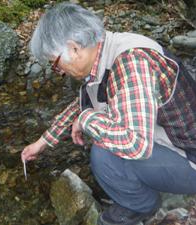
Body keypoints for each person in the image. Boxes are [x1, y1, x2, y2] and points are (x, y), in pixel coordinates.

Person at [21, 2, 196, 225]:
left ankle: (141, 206)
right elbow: (85, 99)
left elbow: (135, 144)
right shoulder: (105, 48)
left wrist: (86, 119)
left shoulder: (132, 63)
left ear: (74, 48)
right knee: (103, 131)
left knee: (104, 154)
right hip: (172, 140)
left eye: (56, 64)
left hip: (190, 158)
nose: (59, 73)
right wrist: (43, 142)